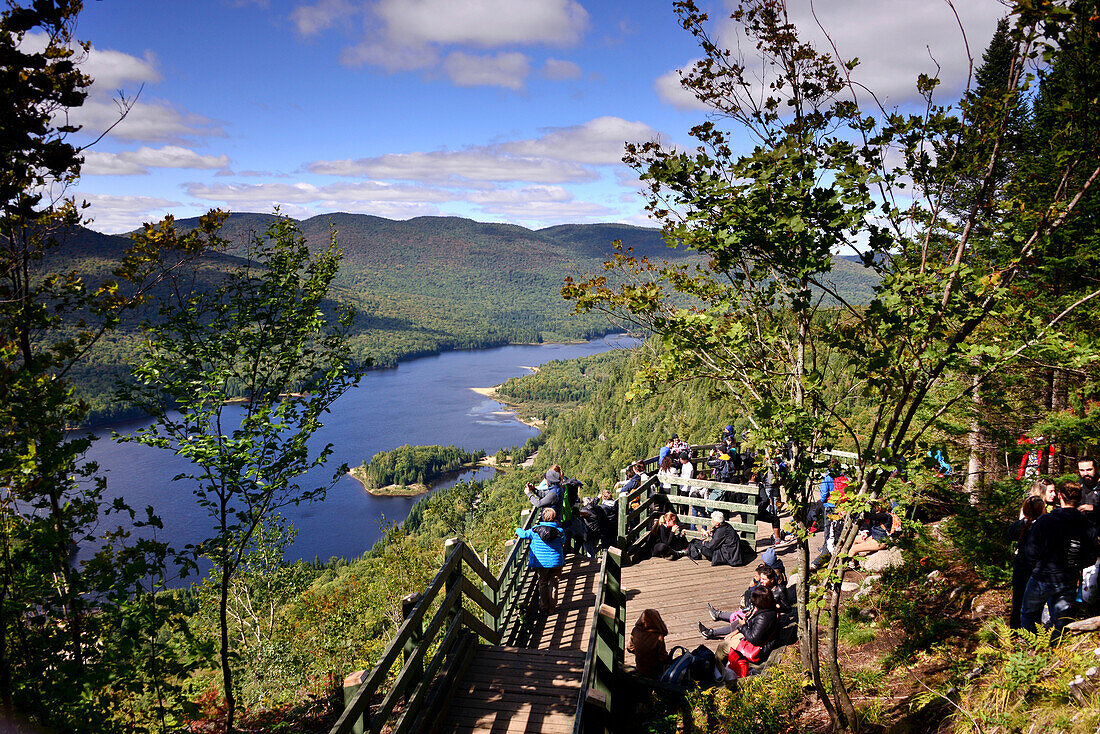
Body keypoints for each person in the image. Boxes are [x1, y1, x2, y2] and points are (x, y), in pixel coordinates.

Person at [1020, 482, 1099, 635]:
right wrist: (1075, 565)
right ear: (1080, 498)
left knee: (1029, 614)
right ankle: (1055, 649)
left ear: (1061, 497)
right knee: (1062, 620)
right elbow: (1091, 555)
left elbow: (1030, 551)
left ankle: (1031, 649)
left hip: (1041, 577)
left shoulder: (1045, 520)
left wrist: (1036, 566)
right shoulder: (1086, 524)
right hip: (1068, 580)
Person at [714, 586, 779, 680]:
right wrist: (739, 629)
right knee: (730, 638)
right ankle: (722, 667)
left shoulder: (764, 617)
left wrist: (743, 626)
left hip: (757, 648)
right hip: (755, 637)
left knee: (723, 646)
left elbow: (754, 639)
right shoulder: (769, 608)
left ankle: (718, 672)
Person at [1007, 495, 1047, 629]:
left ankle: (1015, 630)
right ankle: (1030, 631)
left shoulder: (1019, 525)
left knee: (1018, 601)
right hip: (1035, 570)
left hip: (1020, 568)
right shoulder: (1042, 527)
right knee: (1033, 604)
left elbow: (1009, 536)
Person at [515, 507, 565, 613]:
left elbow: (523, 534)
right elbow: (563, 541)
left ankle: (544, 606)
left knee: (542, 583)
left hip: (541, 563)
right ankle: (552, 607)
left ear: (543, 517)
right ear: (554, 518)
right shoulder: (559, 531)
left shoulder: (535, 530)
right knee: (554, 583)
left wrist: (517, 530)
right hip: (556, 561)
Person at [688, 510, 753, 566]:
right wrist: (710, 534)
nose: (711, 521)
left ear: (717, 523)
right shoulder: (726, 526)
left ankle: (697, 553)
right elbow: (719, 538)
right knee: (696, 542)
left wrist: (704, 542)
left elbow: (711, 545)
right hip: (732, 553)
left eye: (712, 520)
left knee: (697, 543)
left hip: (728, 556)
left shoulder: (721, 530)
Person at [627, 608, 670, 678]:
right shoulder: (658, 636)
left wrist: (641, 651)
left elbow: (630, 648)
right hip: (655, 671)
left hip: (640, 668)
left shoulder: (635, 630)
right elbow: (662, 657)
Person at [1077, 457, 1100, 528]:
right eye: (1082, 470)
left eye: (1089, 470)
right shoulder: (1077, 486)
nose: (1086, 473)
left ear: (1095, 469)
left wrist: (1094, 508)